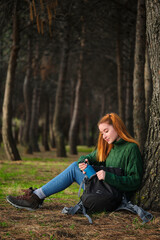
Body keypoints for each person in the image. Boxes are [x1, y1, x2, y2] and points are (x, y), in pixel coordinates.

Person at [6, 113, 143, 211]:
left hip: (114, 195)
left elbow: (135, 181)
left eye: (106, 131)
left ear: (117, 128)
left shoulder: (131, 148)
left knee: (72, 168)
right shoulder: (107, 147)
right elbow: (84, 158)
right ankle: (36, 197)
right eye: (101, 133)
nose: (104, 136)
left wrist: (109, 177)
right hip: (101, 188)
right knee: (75, 167)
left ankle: (36, 197)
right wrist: (84, 163)